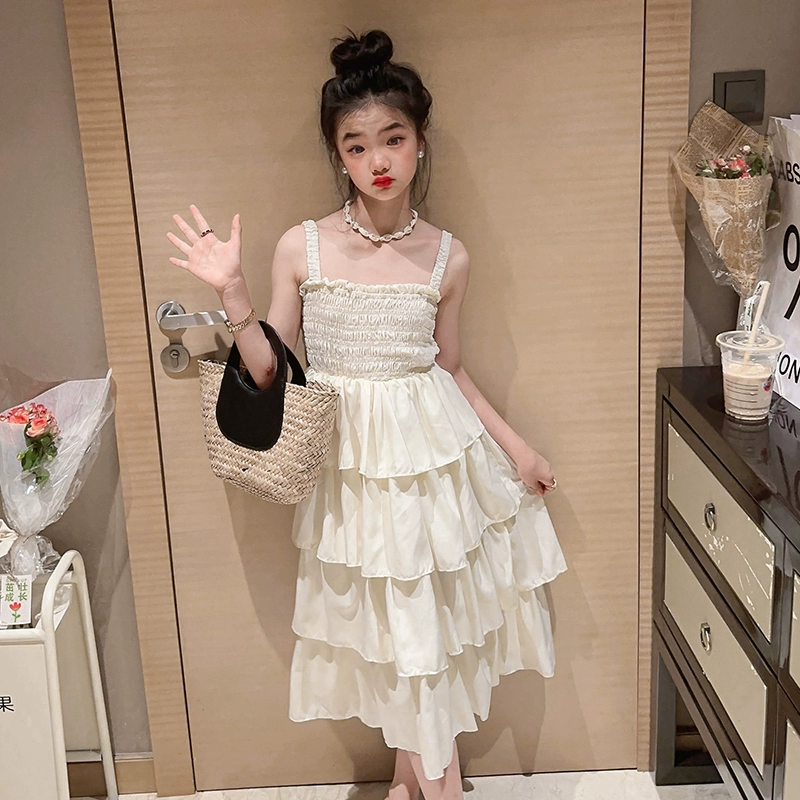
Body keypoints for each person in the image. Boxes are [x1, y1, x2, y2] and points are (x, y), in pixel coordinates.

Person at [167, 28, 567, 800]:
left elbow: (450, 368)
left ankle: (421, 785)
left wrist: (518, 450)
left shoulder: (449, 256)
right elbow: (269, 371)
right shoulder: (303, 248)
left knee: (424, 634)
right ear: (338, 156)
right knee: (392, 638)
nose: (377, 159)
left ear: (420, 142)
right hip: (351, 471)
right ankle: (419, 783)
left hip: (431, 467)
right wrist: (233, 295)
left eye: (393, 138)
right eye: (356, 146)